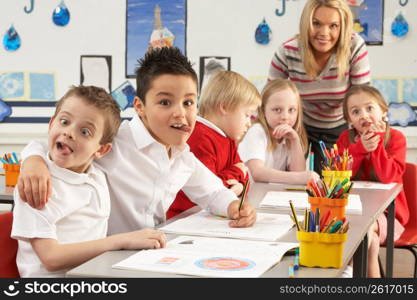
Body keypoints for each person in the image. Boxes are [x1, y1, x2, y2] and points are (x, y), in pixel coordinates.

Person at [17, 47, 257, 236]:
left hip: (150, 254)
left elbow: (213, 192)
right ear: (140, 107)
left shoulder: (183, 156)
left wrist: (234, 207)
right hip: (105, 258)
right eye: (165, 102)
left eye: (188, 102)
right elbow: (57, 141)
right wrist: (33, 160)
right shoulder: (116, 141)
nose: (180, 113)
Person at [11, 86, 166, 277]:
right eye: (64, 121)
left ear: (101, 150)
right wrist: (122, 240)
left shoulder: (96, 174)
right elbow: (51, 258)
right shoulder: (36, 184)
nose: (69, 132)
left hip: (91, 274)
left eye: (85, 132)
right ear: (51, 124)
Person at [268, 0, 370, 173]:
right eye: (316, 23)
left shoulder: (354, 46)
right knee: (289, 181)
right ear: (306, 22)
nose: (324, 33)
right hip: (300, 125)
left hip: (339, 126)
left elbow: (362, 98)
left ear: (343, 26)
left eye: (333, 26)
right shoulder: (288, 51)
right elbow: (269, 98)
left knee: (331, 184)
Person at [167, 70, 261, 219]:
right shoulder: (200, 137)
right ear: (224, 107)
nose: (249, 123)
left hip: (209, 215)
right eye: (247, 115)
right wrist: (236, 177)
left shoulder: (228, 138)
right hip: (183, 219)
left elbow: (244, 174)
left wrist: (240, 184)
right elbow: (208, 190)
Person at [336, 84, 409, 277]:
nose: (364, 115)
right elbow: (339, 173)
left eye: (370, 108)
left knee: (363, 229)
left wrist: (375, 146)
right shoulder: (345, 139)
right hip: (353, 211)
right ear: (349, 120)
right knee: (371, 242)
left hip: (389, 217)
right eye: (356, 111)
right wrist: (360, 148)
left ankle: (347, 271)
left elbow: (388, 176)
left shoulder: (396, 138)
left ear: (383, 111)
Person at [239, 79, 320, 184]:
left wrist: (295, 140)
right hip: (248, 195)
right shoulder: (257, 131)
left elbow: (298, 172)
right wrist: (299, 178)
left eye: (291, 110)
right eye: (277, 110)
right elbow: (257, 173)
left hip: (267, 194)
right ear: (263, 111)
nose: (285, 117)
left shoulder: (288, 137)